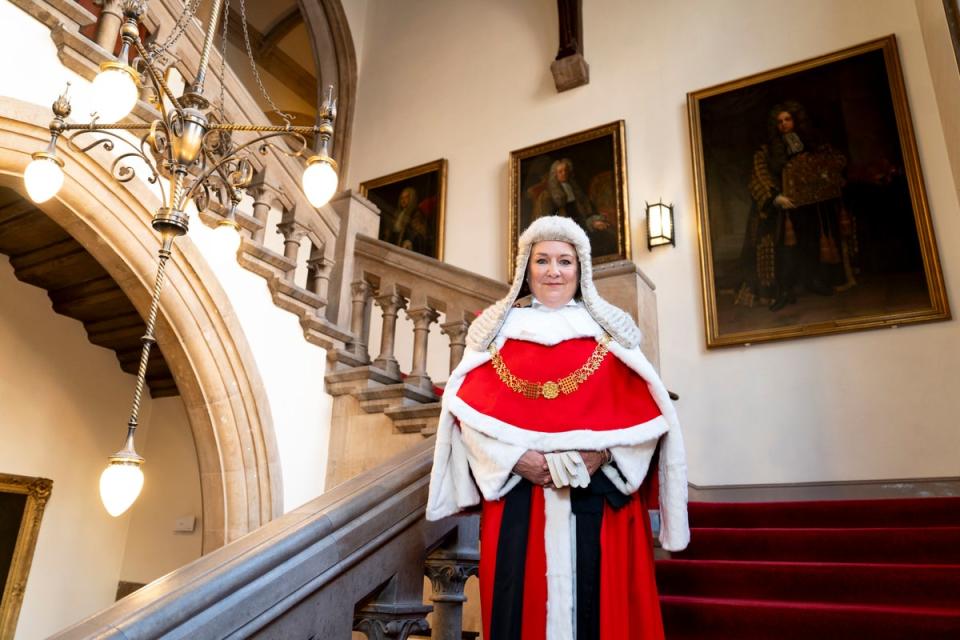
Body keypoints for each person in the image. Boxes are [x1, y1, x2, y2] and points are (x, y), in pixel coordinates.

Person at [426, 216, 689, 639]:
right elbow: (468, 418)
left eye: (565, 261)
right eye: (543, 260)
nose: (553, 271)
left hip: (601, 504)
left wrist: (603, 454)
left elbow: (650, 422)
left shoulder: (611, 334)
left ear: (580, 269)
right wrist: (514, 459)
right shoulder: (497, 335)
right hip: (519, 505)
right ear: (525, 270)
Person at [739, 101, 850, 311]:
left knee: (811, 243)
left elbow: (832, 162)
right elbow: (760, 174)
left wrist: (826, 181)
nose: (784, 125)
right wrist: (775, 196)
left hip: (812, 206)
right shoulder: (767, 150)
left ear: (795, 120)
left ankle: (814, 281)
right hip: (783, 209)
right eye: (780, 121)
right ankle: (784, 291)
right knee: (786, 251)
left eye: (787, 119)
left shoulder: (813, 143)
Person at [530, 158, 618, 257]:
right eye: (560, 171)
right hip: (564, 233)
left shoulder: (576, 190)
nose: (564, 173)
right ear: (555, 174)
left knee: (608, 239)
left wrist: (593, 222)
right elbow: (547, 222)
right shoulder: (547, 196)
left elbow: (587, 211)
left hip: (583, 226)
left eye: (566, 171)